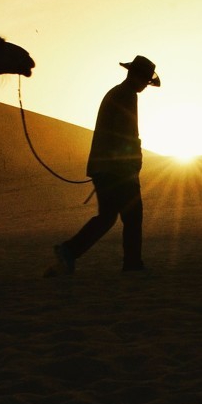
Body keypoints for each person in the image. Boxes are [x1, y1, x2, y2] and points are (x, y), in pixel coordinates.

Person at [50, 55, 160, 276]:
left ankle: (69, 251)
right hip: (117, 169)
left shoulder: (119, 93)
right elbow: (125, 134)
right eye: (145, 80)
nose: (145, 86)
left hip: (107, 167)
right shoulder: (126, 96)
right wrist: (131, 164)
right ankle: (132, 265)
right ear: (136, 76)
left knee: (108, 217)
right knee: (132, 215)